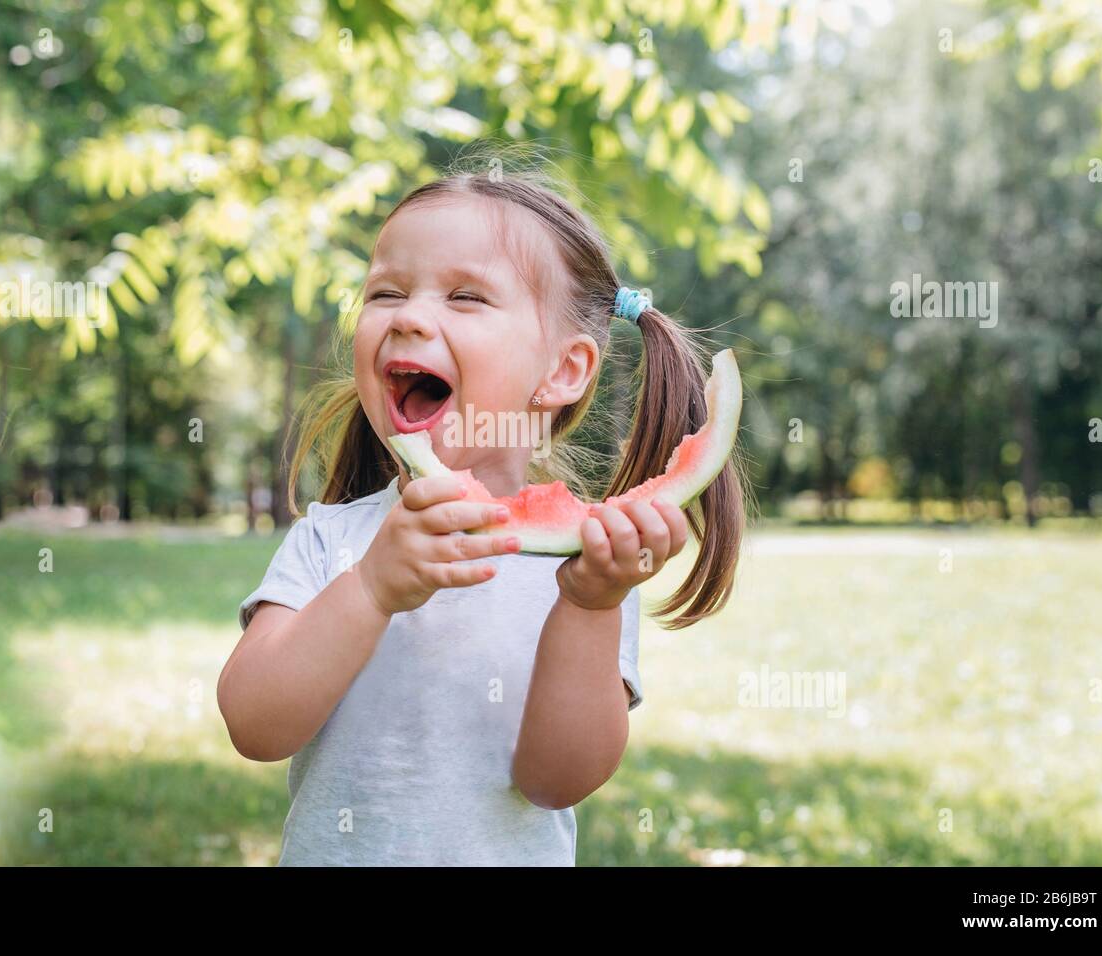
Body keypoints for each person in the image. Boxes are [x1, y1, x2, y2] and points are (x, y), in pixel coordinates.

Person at [218, 167, 745, 865]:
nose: (406, 316)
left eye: (465, 297)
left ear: (564, 371)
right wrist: (371, 588)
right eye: (385, 292)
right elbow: (255, 725)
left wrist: (589, 607)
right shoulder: (331, 539)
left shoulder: (589, 562)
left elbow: (556, 781)